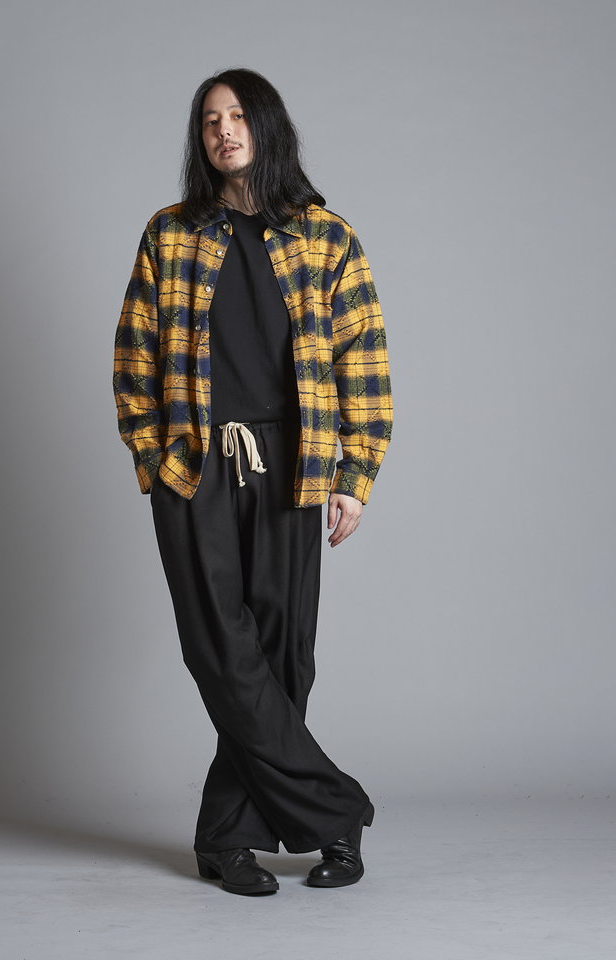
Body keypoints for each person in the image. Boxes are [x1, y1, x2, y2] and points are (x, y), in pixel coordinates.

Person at [112, 67, 393, 896]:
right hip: (194, 464)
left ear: (267, 128)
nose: (224, 131)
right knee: (220, 650)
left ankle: (227, 839)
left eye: (238, 116)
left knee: (282, 654)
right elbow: (133, 353)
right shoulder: (170, 235)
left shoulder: (326, 238)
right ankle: (334, 814)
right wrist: (154, 459)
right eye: (210, 121)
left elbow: (363, 359)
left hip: (292, 467)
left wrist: (355, 474)